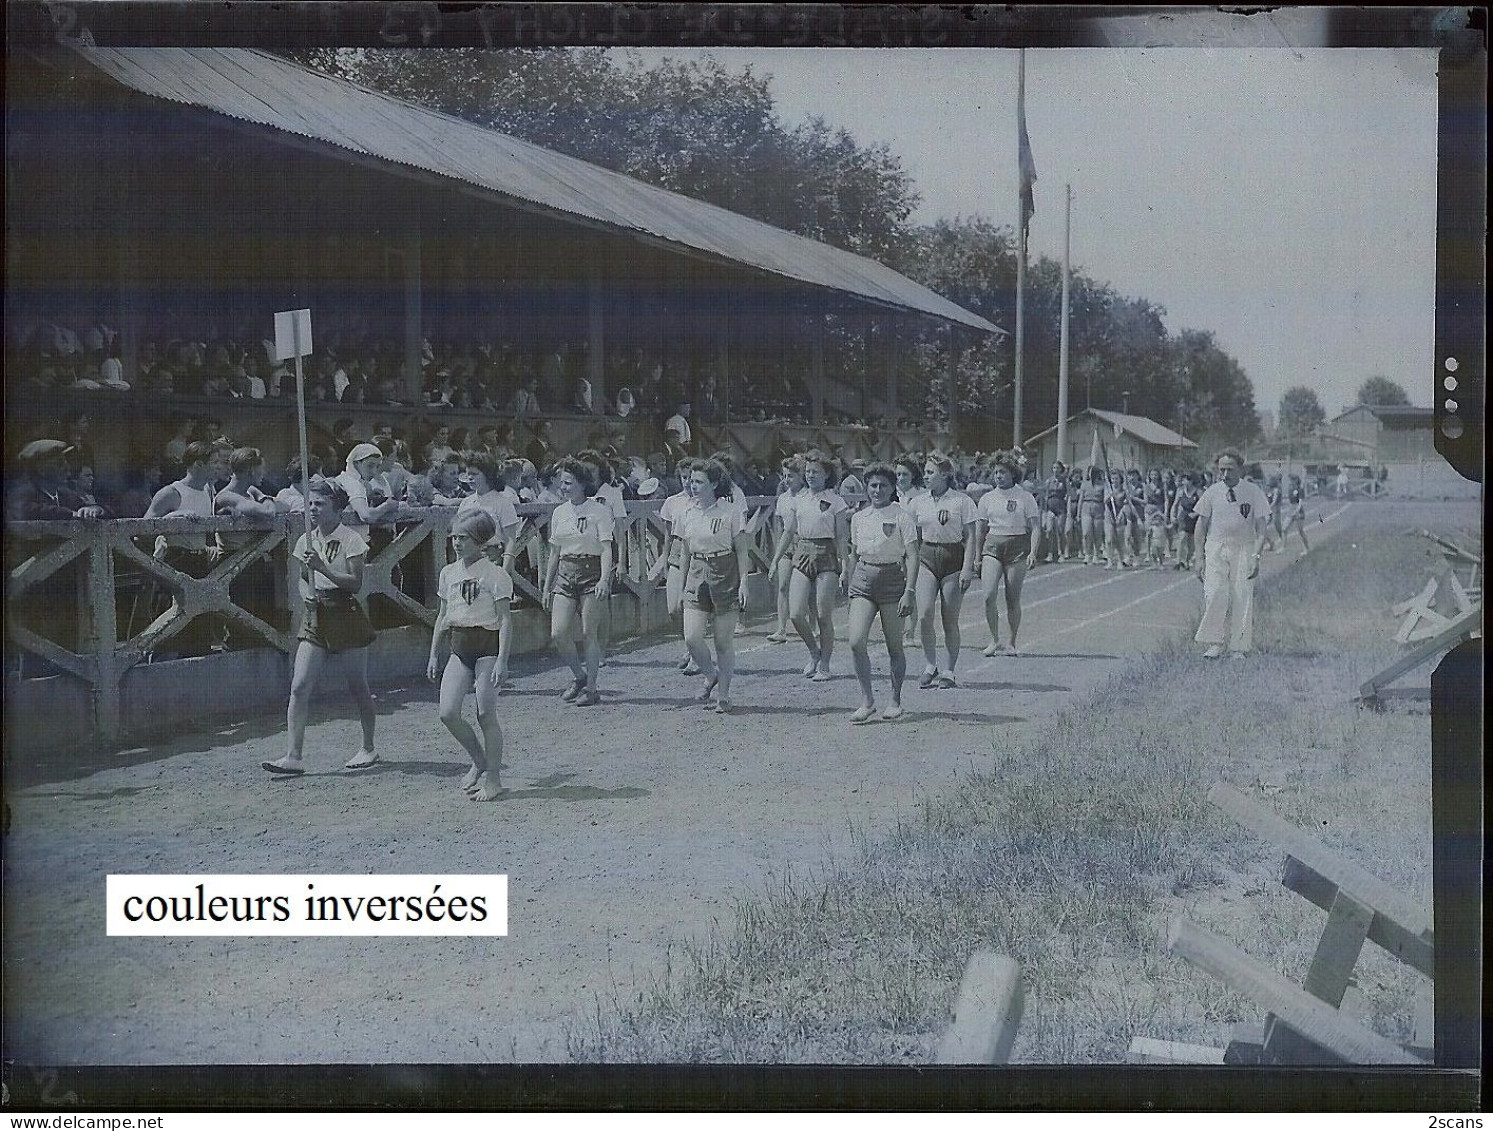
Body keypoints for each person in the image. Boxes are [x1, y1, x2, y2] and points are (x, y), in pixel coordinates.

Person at [262, 479, 379, 775]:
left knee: (357, 686)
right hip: (316, 615)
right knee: (300, 686)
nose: (312, 509)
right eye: (310, 503)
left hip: (345, 613)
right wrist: (308, 595)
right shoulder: (306, 541)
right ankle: (293, 755)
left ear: (337, 508)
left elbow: (355, 584)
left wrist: (323, 568)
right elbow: (303, 578)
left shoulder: (352, 539)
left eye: (320, 504)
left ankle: (368, 748)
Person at [427, 509, 513, 802]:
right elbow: (443, 616)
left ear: (480, 541)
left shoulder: (495, 574)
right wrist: (434, 654)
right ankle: (479, 759)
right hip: (459, 647)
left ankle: (494, 779)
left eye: (463, 538)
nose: (456, 543)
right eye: (454, 537)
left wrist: (502, 659)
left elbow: (505, 620)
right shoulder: (448, 573)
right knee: (448, 712)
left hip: (487, 647)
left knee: (485, 713)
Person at [845, 463, 920, 723]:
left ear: (892, 488)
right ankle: (867, 701)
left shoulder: (902, 516)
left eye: (883, 486)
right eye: (873, 485)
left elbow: (912, 555)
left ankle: (895, 699)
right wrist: (849, 579)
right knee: (856, 642)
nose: (877, 490)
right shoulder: (859, 517)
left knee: (894, 645)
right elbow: (853, 554)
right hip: (863, 580)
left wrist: (909, 591)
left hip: (892, 581)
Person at [675, 458, 752, 713]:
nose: (693, 486)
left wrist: (744, 583)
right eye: (691, 481)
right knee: (692, 637)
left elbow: (742, 551)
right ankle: (710, 675)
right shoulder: (686, 512)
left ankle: (724, 694)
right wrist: (681, 585)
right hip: (697, 572)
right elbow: (684, 553)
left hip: (725, 572)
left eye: (699, 482)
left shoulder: (730, 512)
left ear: (714, 484)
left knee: (722, 641)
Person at [766, 449, 849, 682]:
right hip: (802, 553)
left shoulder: (836, 501)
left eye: (816, 472)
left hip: (827, 555)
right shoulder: (798, 499)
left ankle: (825, 663)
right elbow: (788, 531)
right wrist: (775, 560)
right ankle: (814, 651)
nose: (811, 475)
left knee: (823, 614)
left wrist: (845, 564)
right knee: (796, 613)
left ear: (826, 475)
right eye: (808, 471)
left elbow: (842, 536)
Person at [542, 457, 614, 707]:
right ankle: (579, 676)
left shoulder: (600, 511)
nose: (563, 488)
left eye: (568, 483)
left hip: (591, 571)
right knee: (559, 632)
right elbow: (554, 553)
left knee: (587, 633)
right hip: (565, 572)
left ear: (583, 484)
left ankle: (592, 689)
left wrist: (605, 578)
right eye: (561, 483)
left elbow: (606, 548)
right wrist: (547, 585)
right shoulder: (559, 513)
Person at [909, 451, 978, 689]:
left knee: (950, 619)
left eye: (930, 472)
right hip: (927, 558)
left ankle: (949, 670)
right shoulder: (918, 502)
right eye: (925, 472)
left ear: (945, 474)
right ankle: (930, 665)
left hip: (953, 560)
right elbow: (912, 538)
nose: (925, 476)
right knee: (925, 613)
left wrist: (968, 567)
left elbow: (971, 537)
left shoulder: (962, 501)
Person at [1192, 449, 1270, 659]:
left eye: (1230, 470)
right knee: (1215, 593)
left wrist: (1256, 556)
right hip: (1216, 547)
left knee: (1242, 596)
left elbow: (1262, 527)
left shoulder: (1253, 492)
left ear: (1241, 469)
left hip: (1244, 548)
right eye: (1222, 470)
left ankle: (1238, 647)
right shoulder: (1212, 492)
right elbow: (1200, 525)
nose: (1225, 475)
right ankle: (1215, 643)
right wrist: (1199, 557)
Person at [976, 452, 1041, 655]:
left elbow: (1036, 527)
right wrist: (977, 556)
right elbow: (980, 528)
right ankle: (994, 640)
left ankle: (1011, 641)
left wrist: (1032, 552)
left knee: (1012, 598)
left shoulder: (1025, 497)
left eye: (1003, 472)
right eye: (996, 472)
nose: (998, 476)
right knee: (988, 595)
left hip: (1017, 546)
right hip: (993, 546)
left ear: (1013, 474)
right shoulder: (987, 498)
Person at [660, 456, 701, 672]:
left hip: (697, 552)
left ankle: (696, 655)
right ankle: (689, 645)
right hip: (677, 552)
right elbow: (667, 535)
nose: (688, 482)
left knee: (693, 606)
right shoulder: (672, 502)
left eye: (692, 478)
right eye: (684, 478)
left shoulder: (704, 501)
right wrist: (665, 559)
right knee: (674, 608)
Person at [454, 450, 521, 573]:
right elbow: (460, 537)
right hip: (468, 562)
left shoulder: (503, 503)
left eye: (474, 474)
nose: (470, 478)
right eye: (468, 473)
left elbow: (510, 541)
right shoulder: (466, 503)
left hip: (493, 561)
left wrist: (505, 573)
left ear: (488, 475)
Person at [6, 440, 107, 521]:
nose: (67, 468)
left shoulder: (65, 494)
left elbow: (96, 508)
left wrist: (95, 509)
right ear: (41, 470)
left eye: (66, 462)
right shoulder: (21, 492)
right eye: (59, 464)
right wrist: (70, 514)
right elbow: (27, 510)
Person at [765, 456, 808, 645]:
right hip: (787, 546)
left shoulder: (808, 496)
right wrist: (776, 554)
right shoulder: (782, 498)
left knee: (809, 590)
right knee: (782, 586)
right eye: (785, 475)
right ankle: (781, 629)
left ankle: (813, 626)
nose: (787, 480)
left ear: (800, 476)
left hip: (804, 545)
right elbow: (781, 527)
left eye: (791, 476)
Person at [335, 442, 402, 538]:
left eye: (377, 466)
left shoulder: (343, 479)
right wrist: (387, 506)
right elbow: (366, 515)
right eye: (370, 466)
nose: (374, 471)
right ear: (356, 463)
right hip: (351, 542)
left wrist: (368, 496)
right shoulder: (354, 484)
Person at [214, 448, 289, 518]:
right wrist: (266, 498)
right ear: (251, 470)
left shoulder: (250, 491)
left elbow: (286, 507)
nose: (263, 473)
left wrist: (262, 498)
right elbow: (268, 511)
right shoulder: (225, 497)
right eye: (261, 468)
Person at [1039, 461, 1068, 563]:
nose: (1055, 470)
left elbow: (1068, 494)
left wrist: (1067, 507)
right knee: (1049, 530)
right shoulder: (1048, 481)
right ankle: (1050, 553)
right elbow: (1045, 496)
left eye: (1057, 468)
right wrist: (1044, 511)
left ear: (1060, 469)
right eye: (1054, 468)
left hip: (1061, 508)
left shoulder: (1064, 481)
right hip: (1051, 508)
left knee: (1060, 531)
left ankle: (1061, 553)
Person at [1078, 466, 1106, 566]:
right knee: (1086, 533)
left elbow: (1105, 500)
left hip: (1098, 508)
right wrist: (1078, 514)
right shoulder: (1084, 485)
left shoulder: (1102, 485)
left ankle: (1096, 554)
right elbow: (1080, 499)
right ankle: (1087, 554)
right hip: (1086, 508)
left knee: (1097, 533)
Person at [1280, 472, 1312, 556]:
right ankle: (1283, 547)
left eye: (1293, 479)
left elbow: (1300, 502)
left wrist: (1296, 511)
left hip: (1298, 511)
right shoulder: (1290, 489)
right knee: (1284, 529)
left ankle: (1306, 548)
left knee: (1300, 531)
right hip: (1291, 510)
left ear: (1296, 480)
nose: (1291, 481)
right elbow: (1289, 501)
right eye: (1291, 480)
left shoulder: (1299, 489)